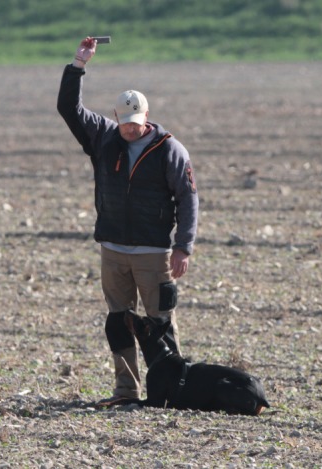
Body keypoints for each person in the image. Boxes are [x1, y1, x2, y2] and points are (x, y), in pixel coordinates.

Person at [57, 37, 199, 406]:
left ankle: (171, 391)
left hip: (153, 253)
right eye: (125, 122)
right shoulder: (103, 137)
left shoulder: (169, 149)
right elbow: (68, 109)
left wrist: (183, 247)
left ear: (146, 117)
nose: (131, 129)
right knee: (118, 321)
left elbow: (188, 198)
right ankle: (126, 391)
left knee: (160, 323)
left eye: (137, 123)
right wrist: (78, 65)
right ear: (116, 116)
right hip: (113, 250)